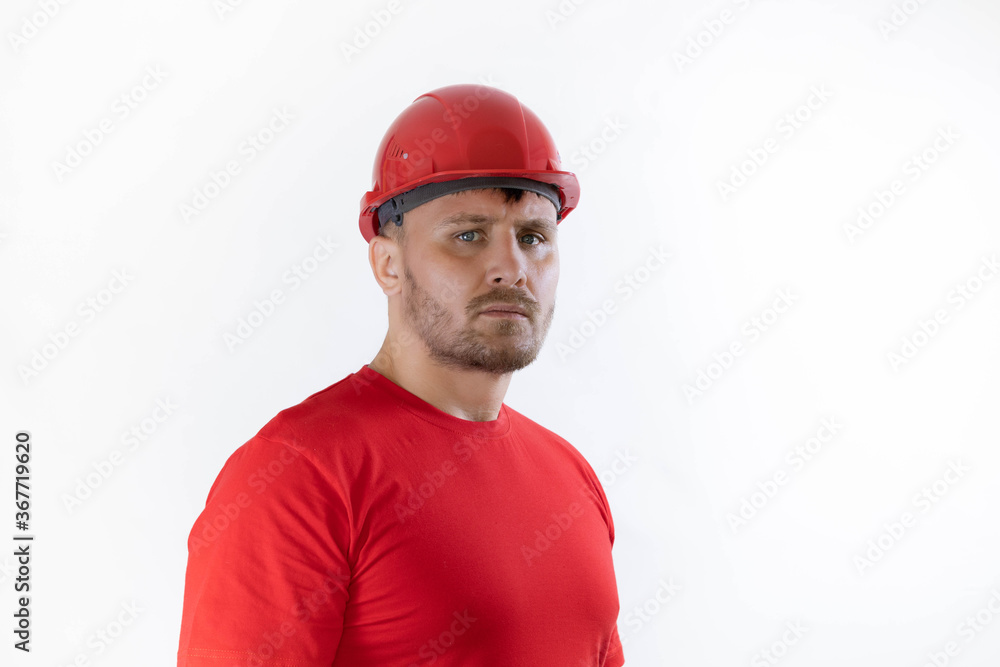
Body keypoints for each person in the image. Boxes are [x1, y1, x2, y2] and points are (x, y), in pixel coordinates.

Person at [177, 83, 624, 666]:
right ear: (388, 264)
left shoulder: (572, 477)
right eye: (468, 235)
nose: (511, 268)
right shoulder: (298, 475)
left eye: (533, 237)